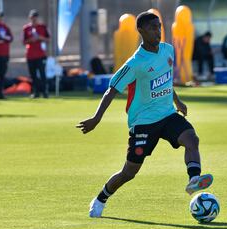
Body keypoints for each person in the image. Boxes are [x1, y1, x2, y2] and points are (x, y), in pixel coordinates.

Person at [76, 12, 213, 218]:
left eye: (159, 27)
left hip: (167, 114)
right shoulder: (135, 63)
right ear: (141, 31)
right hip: (144, 122)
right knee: (129, 173)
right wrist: (96, 118)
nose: (158, 32)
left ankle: (194, 179)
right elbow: (111, 89)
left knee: (191, 138)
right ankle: (101, 198)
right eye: (152, 28)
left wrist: (177, 101)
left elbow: (165, 79)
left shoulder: (167, 50)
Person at [23, 9, 50, 98]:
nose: (34, 19)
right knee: (33, 75)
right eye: (32, 17)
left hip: (41, 55)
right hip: (30, 55)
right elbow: (24, 41)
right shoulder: (26, 28)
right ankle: (35, 92)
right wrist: (31, 40)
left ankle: (45, 91)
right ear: (30, 18)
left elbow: (48, 39)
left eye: (35, 17)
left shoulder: (42, 27)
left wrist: (40, 38)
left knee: (42, 74)